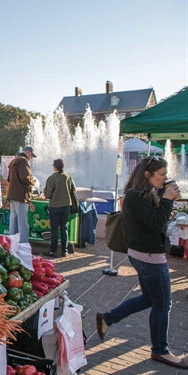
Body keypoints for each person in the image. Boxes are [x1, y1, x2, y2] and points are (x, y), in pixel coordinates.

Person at [96, 157, 187, 369]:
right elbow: (156, 224)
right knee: (163, 303)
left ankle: (107, 319)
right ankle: (160, 350)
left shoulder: (144, 194)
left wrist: (166, 201)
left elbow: (156, 222)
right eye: (161, 175)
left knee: (149, 298)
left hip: (145, 254)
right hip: (149, 257)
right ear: (147, 175)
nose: (165, 179)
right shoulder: (136, 196)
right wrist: (167, 199)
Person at [42, 159, 76, 257]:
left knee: (54, 229)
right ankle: (64, 251)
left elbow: (47, 194)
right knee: (64, 228)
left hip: (55, 206)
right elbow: (73, 189)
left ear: (55, 167)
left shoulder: (51, 178)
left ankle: (53, 250)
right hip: (66, 206)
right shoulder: (67, 177)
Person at [7, 146, 37, 243]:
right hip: (21, 195)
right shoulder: (23, 160)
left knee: (13, 222)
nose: (31, 158)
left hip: (12, 194)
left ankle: (12, 244)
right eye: (31, 155)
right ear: (27, 152)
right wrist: (33, 182)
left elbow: (8, 179)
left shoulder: (14, 160)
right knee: (23, 223)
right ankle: (24, 245)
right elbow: (25, 177)